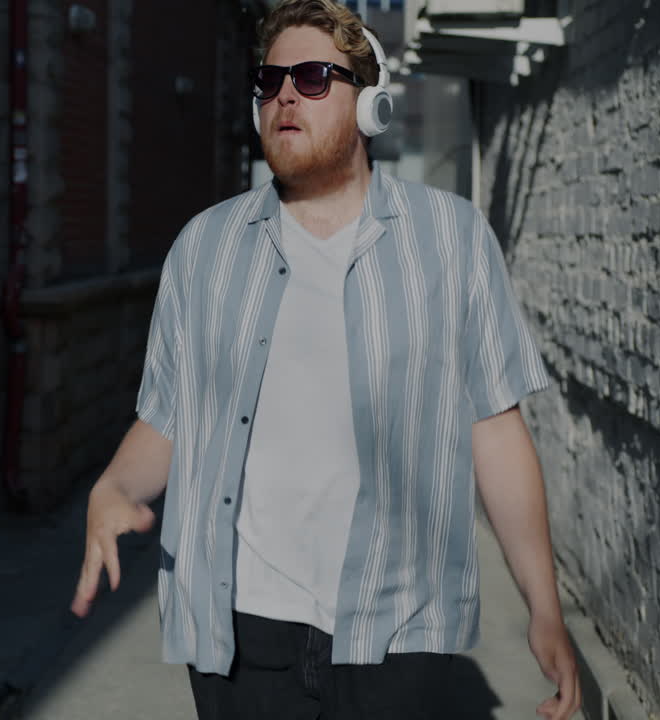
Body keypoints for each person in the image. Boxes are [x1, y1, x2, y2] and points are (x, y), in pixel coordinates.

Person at [70, 1, 580, 717]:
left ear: (372, 105)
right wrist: (116, 486)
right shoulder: (203, 251)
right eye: (270, 78)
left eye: (312, 77)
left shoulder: (453, 241)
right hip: (239, 630)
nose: (284, 93)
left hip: (397, 627)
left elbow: (495, 430)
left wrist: (543, 605)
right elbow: (170, 418)